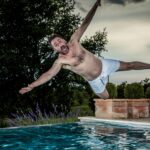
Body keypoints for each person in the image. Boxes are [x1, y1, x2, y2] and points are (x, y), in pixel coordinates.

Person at [19, 0, 150, 99]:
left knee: (130, 65)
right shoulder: (60, 61)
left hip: (104, 65)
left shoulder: (74, 40)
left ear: (64, 40)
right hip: (94, 81)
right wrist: (32, 85)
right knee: (106, 98)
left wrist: (95, 6)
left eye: (59, 40)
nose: (59, 44)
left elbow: (85, 23)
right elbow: (48, 74)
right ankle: (105, 84)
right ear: (55, 50)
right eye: (55, 45)